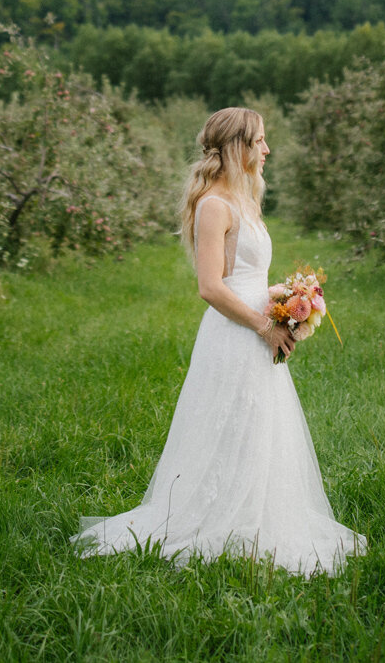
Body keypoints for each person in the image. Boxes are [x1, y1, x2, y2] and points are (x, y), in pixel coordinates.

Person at [71, 107, 366, 576]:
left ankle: (256, 512)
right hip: (235, 333)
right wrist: (263, 324)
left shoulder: (245, 200)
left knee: (256, 426)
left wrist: (286, 303)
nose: (267, 150)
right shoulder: (214, 205)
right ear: (237, 147)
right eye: (260, 141)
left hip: (255, 326)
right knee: (228, 423)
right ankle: (215, 517)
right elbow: (210, 286)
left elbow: (247, 276)